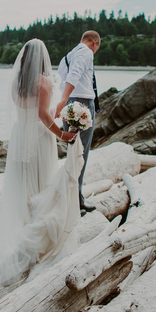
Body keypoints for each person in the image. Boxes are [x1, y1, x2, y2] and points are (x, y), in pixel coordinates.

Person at [0, 39, 84, 286]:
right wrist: (63, 135)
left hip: (20, 135)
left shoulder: (17, 82)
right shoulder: (45, 82)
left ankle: (20, 226)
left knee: (21, 183)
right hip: (39, 139)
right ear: (42, 60)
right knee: (43, 182)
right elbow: (43, 115)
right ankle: (34, 234)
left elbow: (30, 110)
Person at [55, 30, 100, 216]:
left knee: (72, 153)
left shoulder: (69, 55)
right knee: (81, 154)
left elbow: (65, 77)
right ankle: (76, 201)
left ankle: (72, 197)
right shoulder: (86, 52)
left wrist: (65, 100)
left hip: (71, 103)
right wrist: (63, 100)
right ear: (95, 42)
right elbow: (74, 74)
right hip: (81, 103)